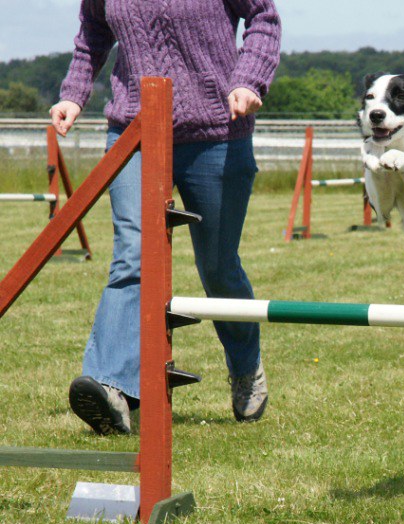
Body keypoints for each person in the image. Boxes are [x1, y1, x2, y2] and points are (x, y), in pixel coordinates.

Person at [50, 0, 281, 435]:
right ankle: (111, 387)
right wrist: (73, 92)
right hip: (135, 129)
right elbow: (92, 34)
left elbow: (264, 18)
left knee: (218, 267)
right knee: (133, 251)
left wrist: (249, 80)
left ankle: (246, 366)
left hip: (217, 131)